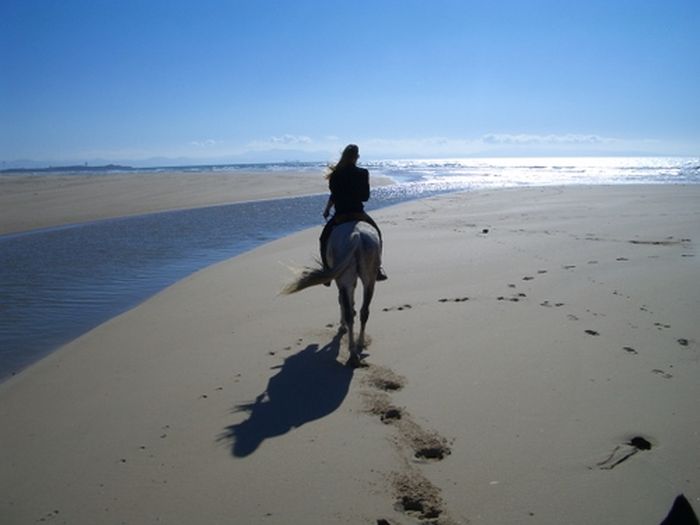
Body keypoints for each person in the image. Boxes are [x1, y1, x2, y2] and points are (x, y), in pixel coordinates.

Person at [320, 144, 387, 282]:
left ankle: (327, 272)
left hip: (341, 215)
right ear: (356, 157)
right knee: (378, 234)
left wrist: (327, 209)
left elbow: (334, 195)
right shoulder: (362, 173)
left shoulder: (335, 174)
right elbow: (365, 197)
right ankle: (378, 268)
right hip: (358, 214)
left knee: (323, 238)